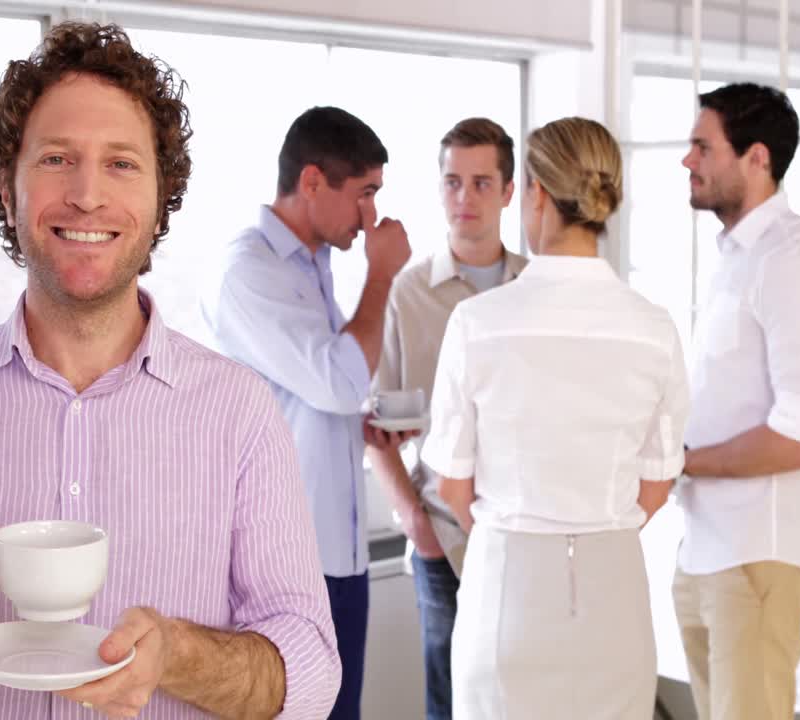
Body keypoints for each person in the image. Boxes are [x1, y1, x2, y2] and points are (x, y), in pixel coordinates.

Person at [0, 22, 339, 720]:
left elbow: (312, 675)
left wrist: (178, 654)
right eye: (55, 159)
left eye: (122, 164)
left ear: (161, 198)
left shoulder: (238, 410)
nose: (86, 195)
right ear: (6, 192)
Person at [421, 116, 690, 719]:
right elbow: (656, 487)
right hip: (614, 594)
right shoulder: (654, 328)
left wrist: (521, 530)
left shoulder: (478, 324)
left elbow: (452, 486)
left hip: (507, 591)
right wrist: (591, 525)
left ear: (536, 193)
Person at [201, 106, 412, 720]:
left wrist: (363, 423)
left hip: (339, 558)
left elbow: (324, 396)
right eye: (364, 193)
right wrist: (381, 276)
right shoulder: (249, 271)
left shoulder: (313, 267)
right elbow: (339, 382)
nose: (371, 216)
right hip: (289, 568)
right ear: (313, 181)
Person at [673, 82, 800, 720]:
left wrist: (683, 461)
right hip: (707, 548)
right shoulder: (736, 258)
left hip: (758, 555)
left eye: (702, 146)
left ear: (757, 157)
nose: (687, 160)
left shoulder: (793, 260)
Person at [363, 117, 527, 720]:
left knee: (521, 699)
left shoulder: (536, 288)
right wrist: (417, 527)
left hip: (523, 535)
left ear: (510, 191)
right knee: (449, 704)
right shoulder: (407, 293)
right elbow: (375, 430)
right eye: (453, 182)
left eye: (482, 183)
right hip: (444, 543)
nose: (466, 198)